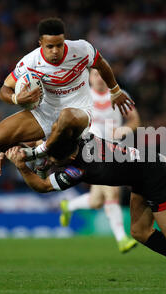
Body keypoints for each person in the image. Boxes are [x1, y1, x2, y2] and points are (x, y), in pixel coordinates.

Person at [1, 131, 166, 280]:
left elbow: (43, 187)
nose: (46, 163)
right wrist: (12, 149)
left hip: (156, 175)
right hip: (143, 173)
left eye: (47, 159)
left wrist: (22, 166)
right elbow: (44, 137)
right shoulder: (80, 138)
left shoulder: (77, 170)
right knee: (140, 232)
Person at [0, 17, 134, 173]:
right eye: (50, 46)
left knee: (66, 115)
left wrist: (115, 90)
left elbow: (102, 64)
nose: (55, 51)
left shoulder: (82, 49)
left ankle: (40, 153)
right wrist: (16, 98)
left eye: (59, 45)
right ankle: (38, 148)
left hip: (79, 110)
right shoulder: (30, 62)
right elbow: (4, 89)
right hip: (46, 112)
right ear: (40, 43)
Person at [59, 69, 140, 253]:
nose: (100, 79)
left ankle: (69, 206)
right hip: (92, 151)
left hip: (115, 150)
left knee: (97, 200)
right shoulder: (82, 97)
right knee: (112, 193)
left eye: (103, 75)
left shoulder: (119, 95)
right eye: (96, 75)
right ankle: (122, 239)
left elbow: (134, 120)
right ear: (89, 77)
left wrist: (124, 130)